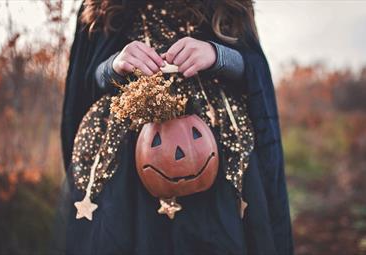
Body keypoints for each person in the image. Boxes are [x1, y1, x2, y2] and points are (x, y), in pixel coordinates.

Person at [59, 0, 294, 254]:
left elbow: (253, 68)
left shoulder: (227, 5)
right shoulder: (104, 6)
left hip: (219, 154)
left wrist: (217, 55)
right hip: (129, 162)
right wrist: (115, 65)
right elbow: (85, 83)